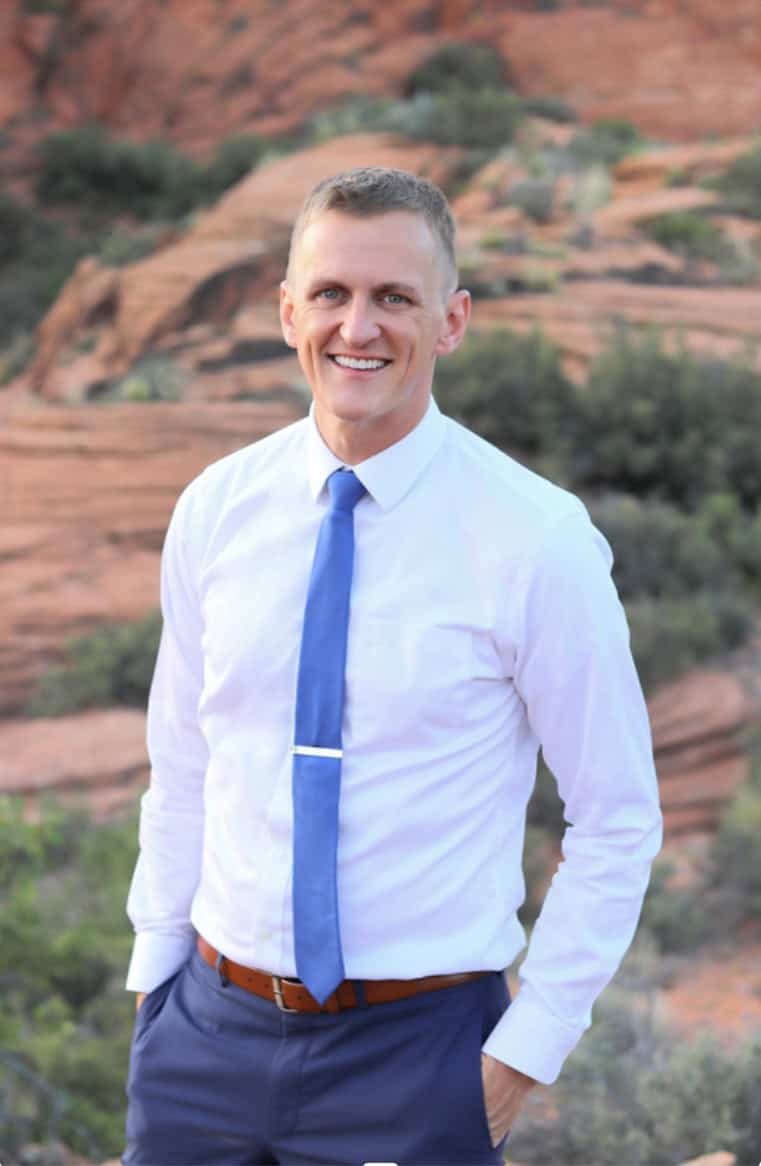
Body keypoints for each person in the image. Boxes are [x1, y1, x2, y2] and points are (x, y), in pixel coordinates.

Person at [123, 166, 662, 1166]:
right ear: (289, 312)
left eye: (393, 298)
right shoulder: (215, 507)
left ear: (450, 320)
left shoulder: (534, 539)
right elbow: (185, 762)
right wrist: (154, 985)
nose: (356, 327)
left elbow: (617, 815)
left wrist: (522, 1052)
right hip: (203, 1036)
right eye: (330, 293)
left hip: (419, 1057)